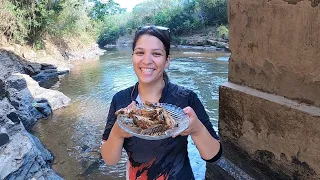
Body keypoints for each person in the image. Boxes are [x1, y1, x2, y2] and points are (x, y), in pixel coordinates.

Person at [101, 25, 222, 180]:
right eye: (140, 52)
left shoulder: (186, 98)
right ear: (132, 57)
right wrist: (117, 133)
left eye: (156, 54)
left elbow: (213, 155)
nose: (146, 60)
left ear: (167, 61)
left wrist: (197, 129)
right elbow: (110, 160)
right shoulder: (121, 100)